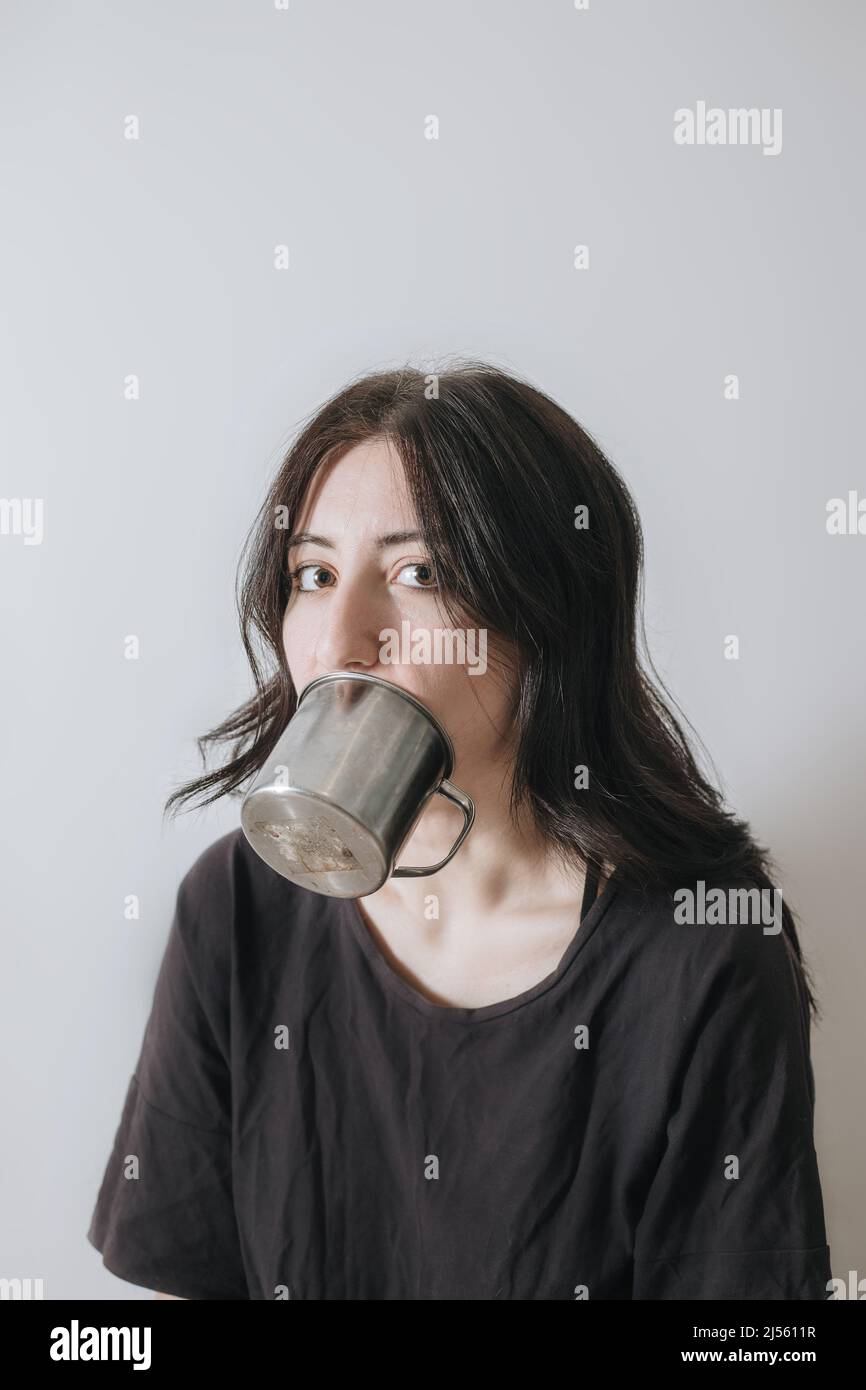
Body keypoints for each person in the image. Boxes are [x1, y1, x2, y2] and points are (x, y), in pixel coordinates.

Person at [87, 361, 832, 1300]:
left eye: (420, 571)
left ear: (547, 613)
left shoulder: (704, 951)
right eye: (313, 574)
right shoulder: (235, 906)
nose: (343, 638)